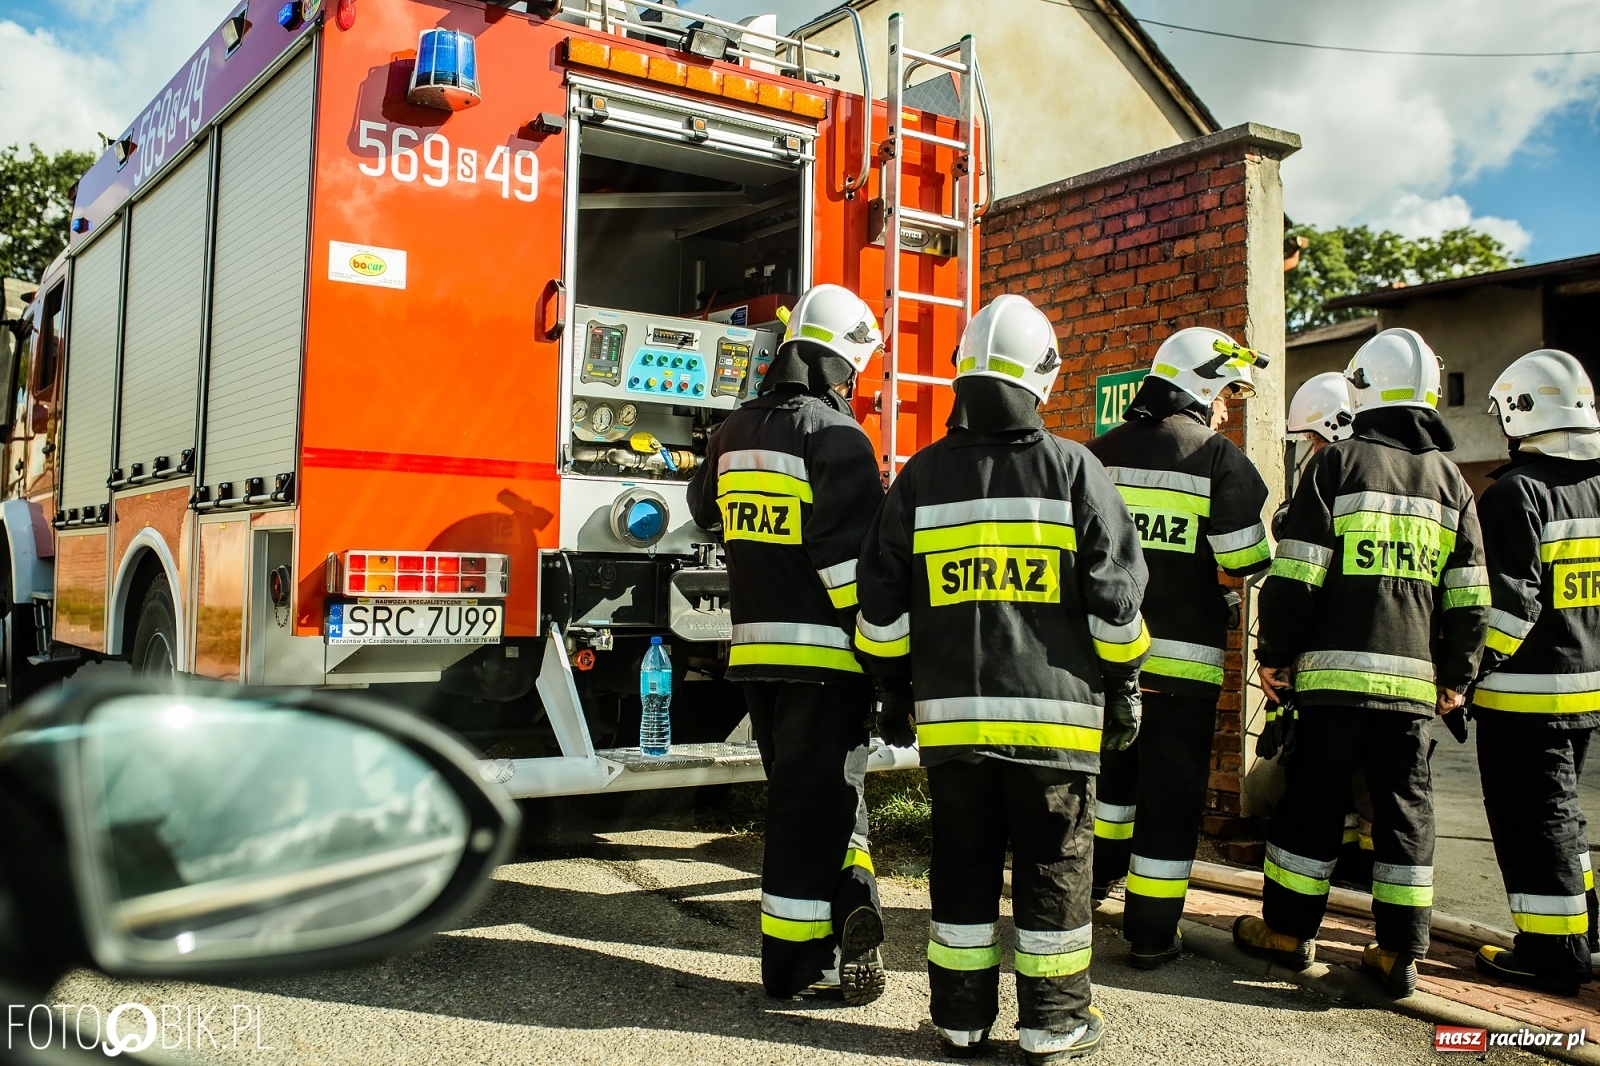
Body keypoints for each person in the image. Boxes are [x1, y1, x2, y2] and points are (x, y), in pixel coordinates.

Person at [854, 294, 1149, 1062]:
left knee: (962, 868)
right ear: (1041, 378)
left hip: (954, 731)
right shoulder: (1074, 470)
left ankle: (959, 1021)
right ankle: (1053, 1021)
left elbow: (881, 602)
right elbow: (1116, 603)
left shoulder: (919, 478)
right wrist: (1123, 687)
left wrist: (890, 690)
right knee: (1055, 869)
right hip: (1055, 727)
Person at [1234, 327, 1489, 998]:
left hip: (1330, 687)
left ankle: (1287, 934)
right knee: (1405, 815)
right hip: (1411, 697)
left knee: (1310, 808)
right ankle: (1397, 954)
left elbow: (1296, 576)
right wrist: (1457, 679)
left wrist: (1274, 656)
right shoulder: (1452, 485)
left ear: (1364, 388)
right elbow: (1469, 600)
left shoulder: (1337, 466)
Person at [685, 283, 887, 1004]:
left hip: (755, 656)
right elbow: (848, 564)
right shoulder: (836, 437)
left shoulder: (735, 430)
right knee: (810, 808)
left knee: (815, 798)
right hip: (826, 660)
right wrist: (881, 647)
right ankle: (797, 967)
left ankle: (851, 894)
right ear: (842, 365)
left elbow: (705, 512)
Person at [1085, 327, 1272, 969]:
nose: (1225, 410)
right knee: (1169, 802)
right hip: (1185, 670)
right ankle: (1152, 934)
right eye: (1225, 395)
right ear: (1200, 385)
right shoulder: (1220, 459)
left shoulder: (1097, 455)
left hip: (1106, 667)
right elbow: (1245, 561)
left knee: (1109, 787)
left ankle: (1087, 893)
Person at [1470, 348, 1600, 995]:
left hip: (1523, 698)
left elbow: (1512, 606)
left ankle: (1552, 955)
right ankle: (1581, 936)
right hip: (1584, 691)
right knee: (1565, 818)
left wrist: (1467, 671)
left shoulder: (1517, 495)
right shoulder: (1596, 489)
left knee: (1535, 824)